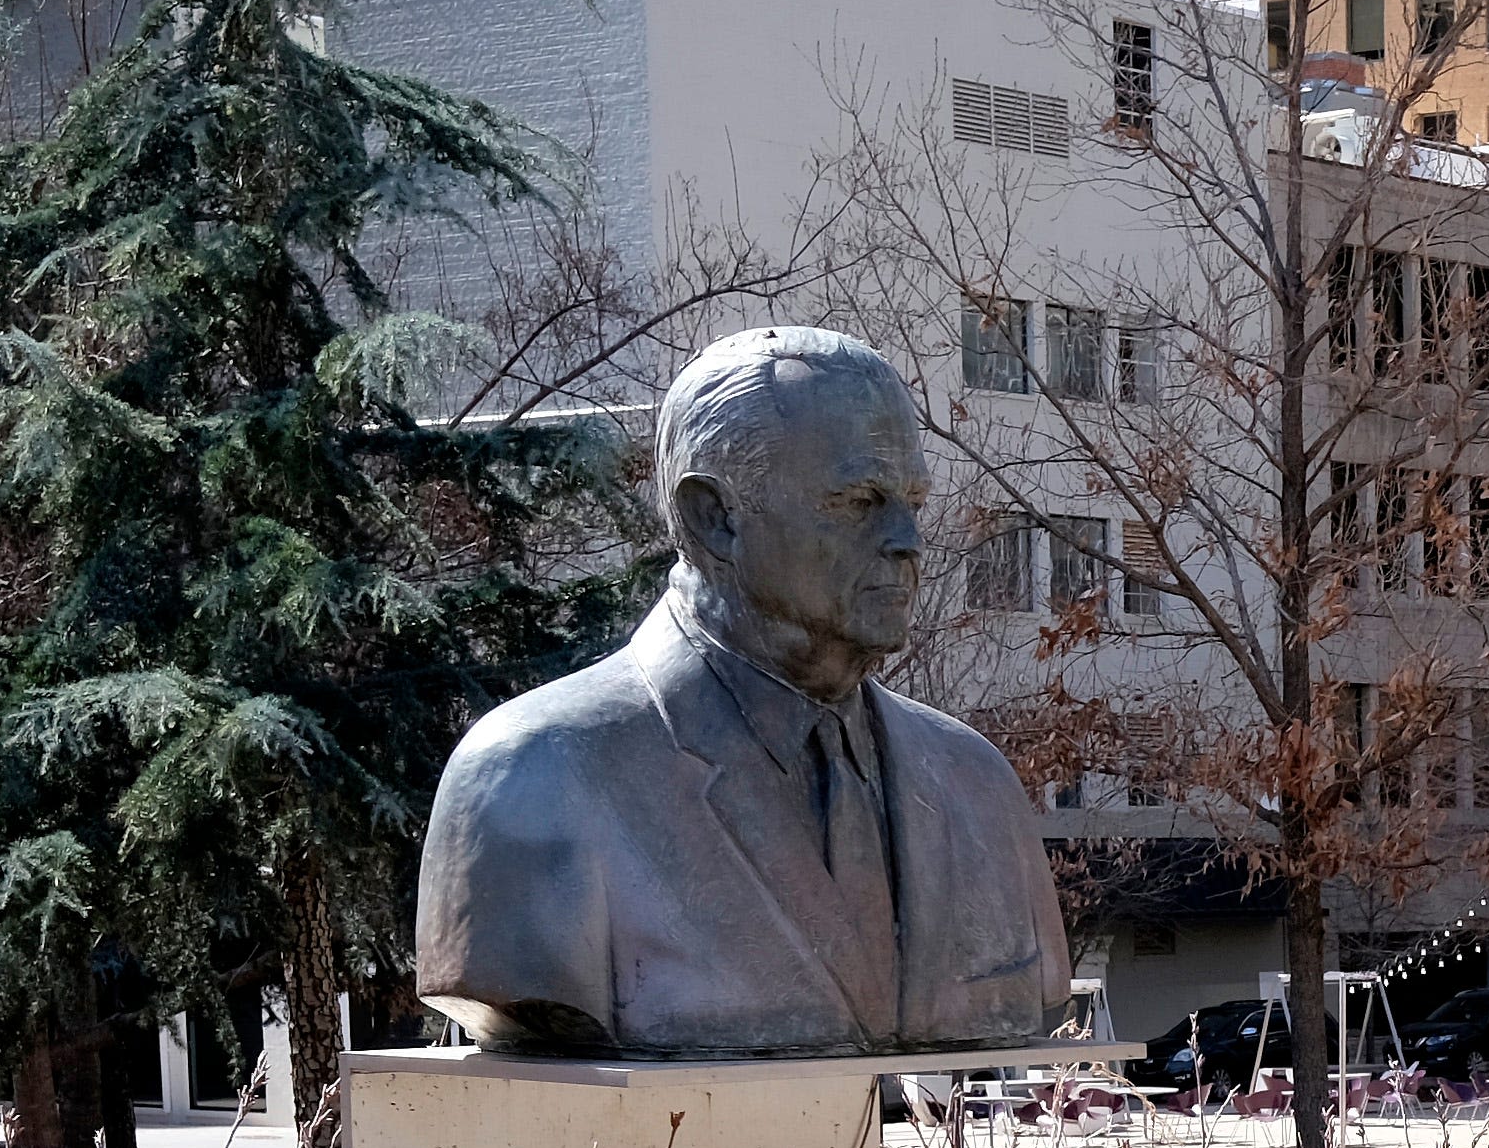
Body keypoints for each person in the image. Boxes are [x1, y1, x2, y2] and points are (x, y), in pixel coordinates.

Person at [415, 328, 1074, 1058]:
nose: (907, 539)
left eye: (911, 500)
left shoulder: (973, 783)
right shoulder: (532, 775)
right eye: (859, 500)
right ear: (714, 517)